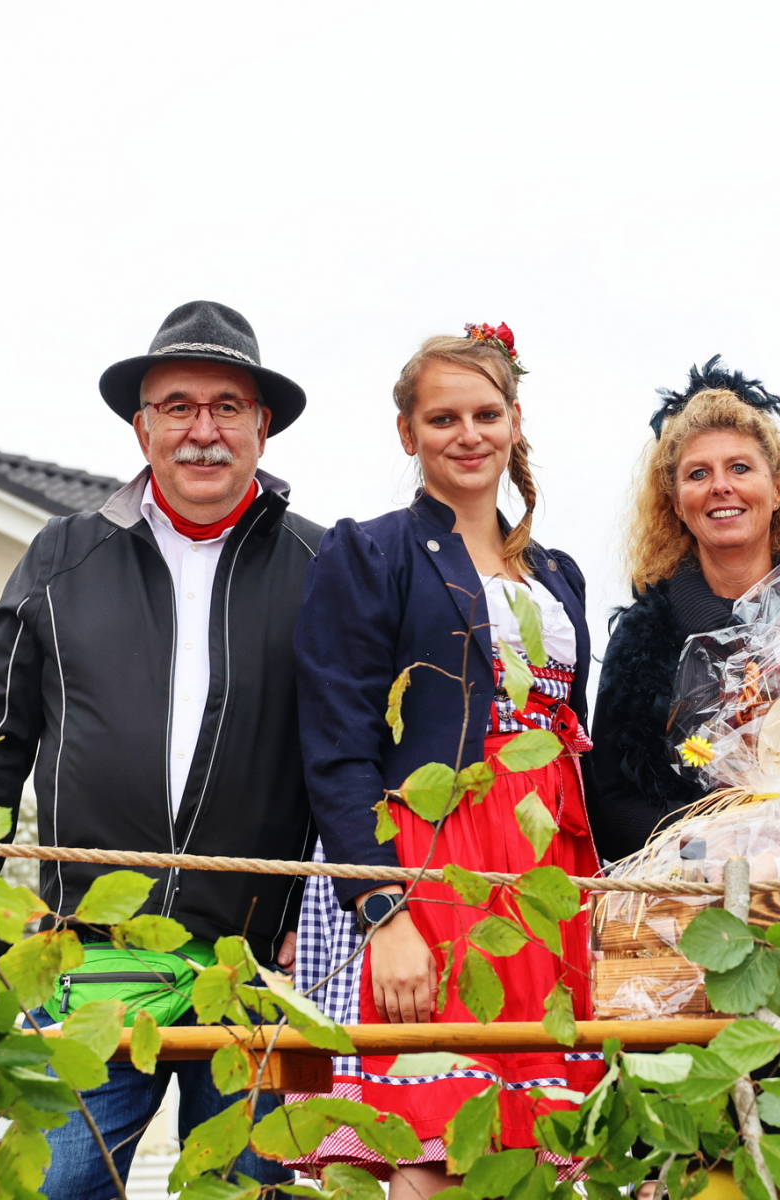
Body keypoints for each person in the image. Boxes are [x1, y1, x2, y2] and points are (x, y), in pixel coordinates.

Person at [0, 301, 323, 1196]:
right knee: (55, 1185)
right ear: (142, 429)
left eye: (227, 407)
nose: (202, 431)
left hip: (257, 970)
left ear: (262, 427)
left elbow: (350, 755)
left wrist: (336, 910)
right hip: (91, 963)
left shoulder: (322, 565)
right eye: (177, 407)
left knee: (250, 1190)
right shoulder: (62, 556)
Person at [290, 325, 602, 1194]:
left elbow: (578, 732)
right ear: (408, 433)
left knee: (538, 1153)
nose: (468, 435)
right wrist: (384, 912)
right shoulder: (371, 551)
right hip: (437, 866)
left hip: (552, 866)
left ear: (514, 423)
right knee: (432, 1145)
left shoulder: (559, 573)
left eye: (486, 415)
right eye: (442, 419)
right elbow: (337, 748)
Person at [589, 356, 780, 863]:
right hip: (686, 894)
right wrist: (708, 845)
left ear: (778, 489)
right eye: (698, 474)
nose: (721, 486)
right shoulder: (641, 636)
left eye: (740, 468)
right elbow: (608, 802)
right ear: (677, 504)